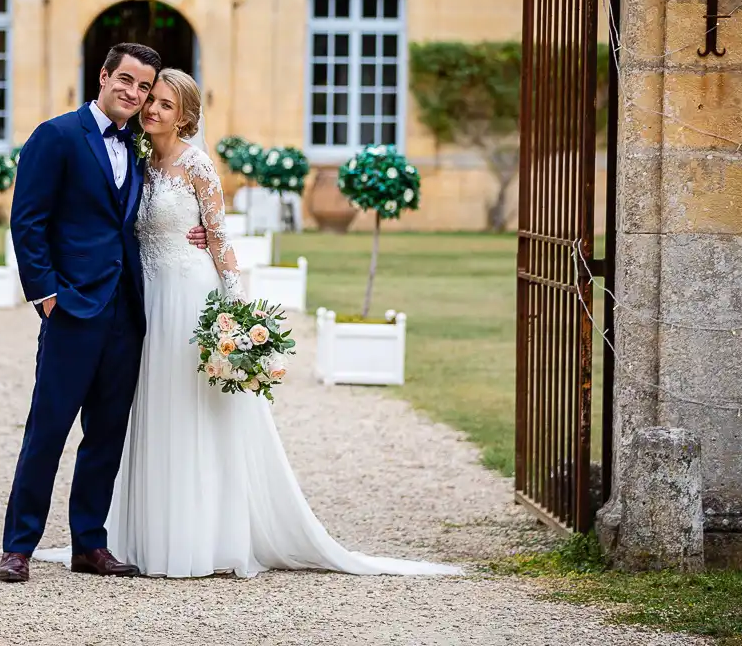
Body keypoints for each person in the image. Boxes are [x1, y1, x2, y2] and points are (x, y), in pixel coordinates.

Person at [34, 69, 464, 578]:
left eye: (165, 105)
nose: (150, 110)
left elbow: (218, 240)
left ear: (186, 115)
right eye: (151, 100)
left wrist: (234, 315)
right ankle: (144, 533)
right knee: (151, 411)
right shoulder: (137, 157)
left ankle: (203, 537)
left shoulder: (197, 165)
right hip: (143, 301)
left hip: (190, 296)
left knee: (196, 412)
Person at [0, 44, 208, 583]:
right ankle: (19, 546)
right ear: (104, 76)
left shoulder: (140, 148)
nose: (134, 94)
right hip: (72, 308)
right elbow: (28, 221)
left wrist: (199, 235)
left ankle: (89, 544)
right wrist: (46, 294)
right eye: (127, 81)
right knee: (48, 430)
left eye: (143, 88)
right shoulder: (57, 135)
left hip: (128, 313)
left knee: (107, 433)